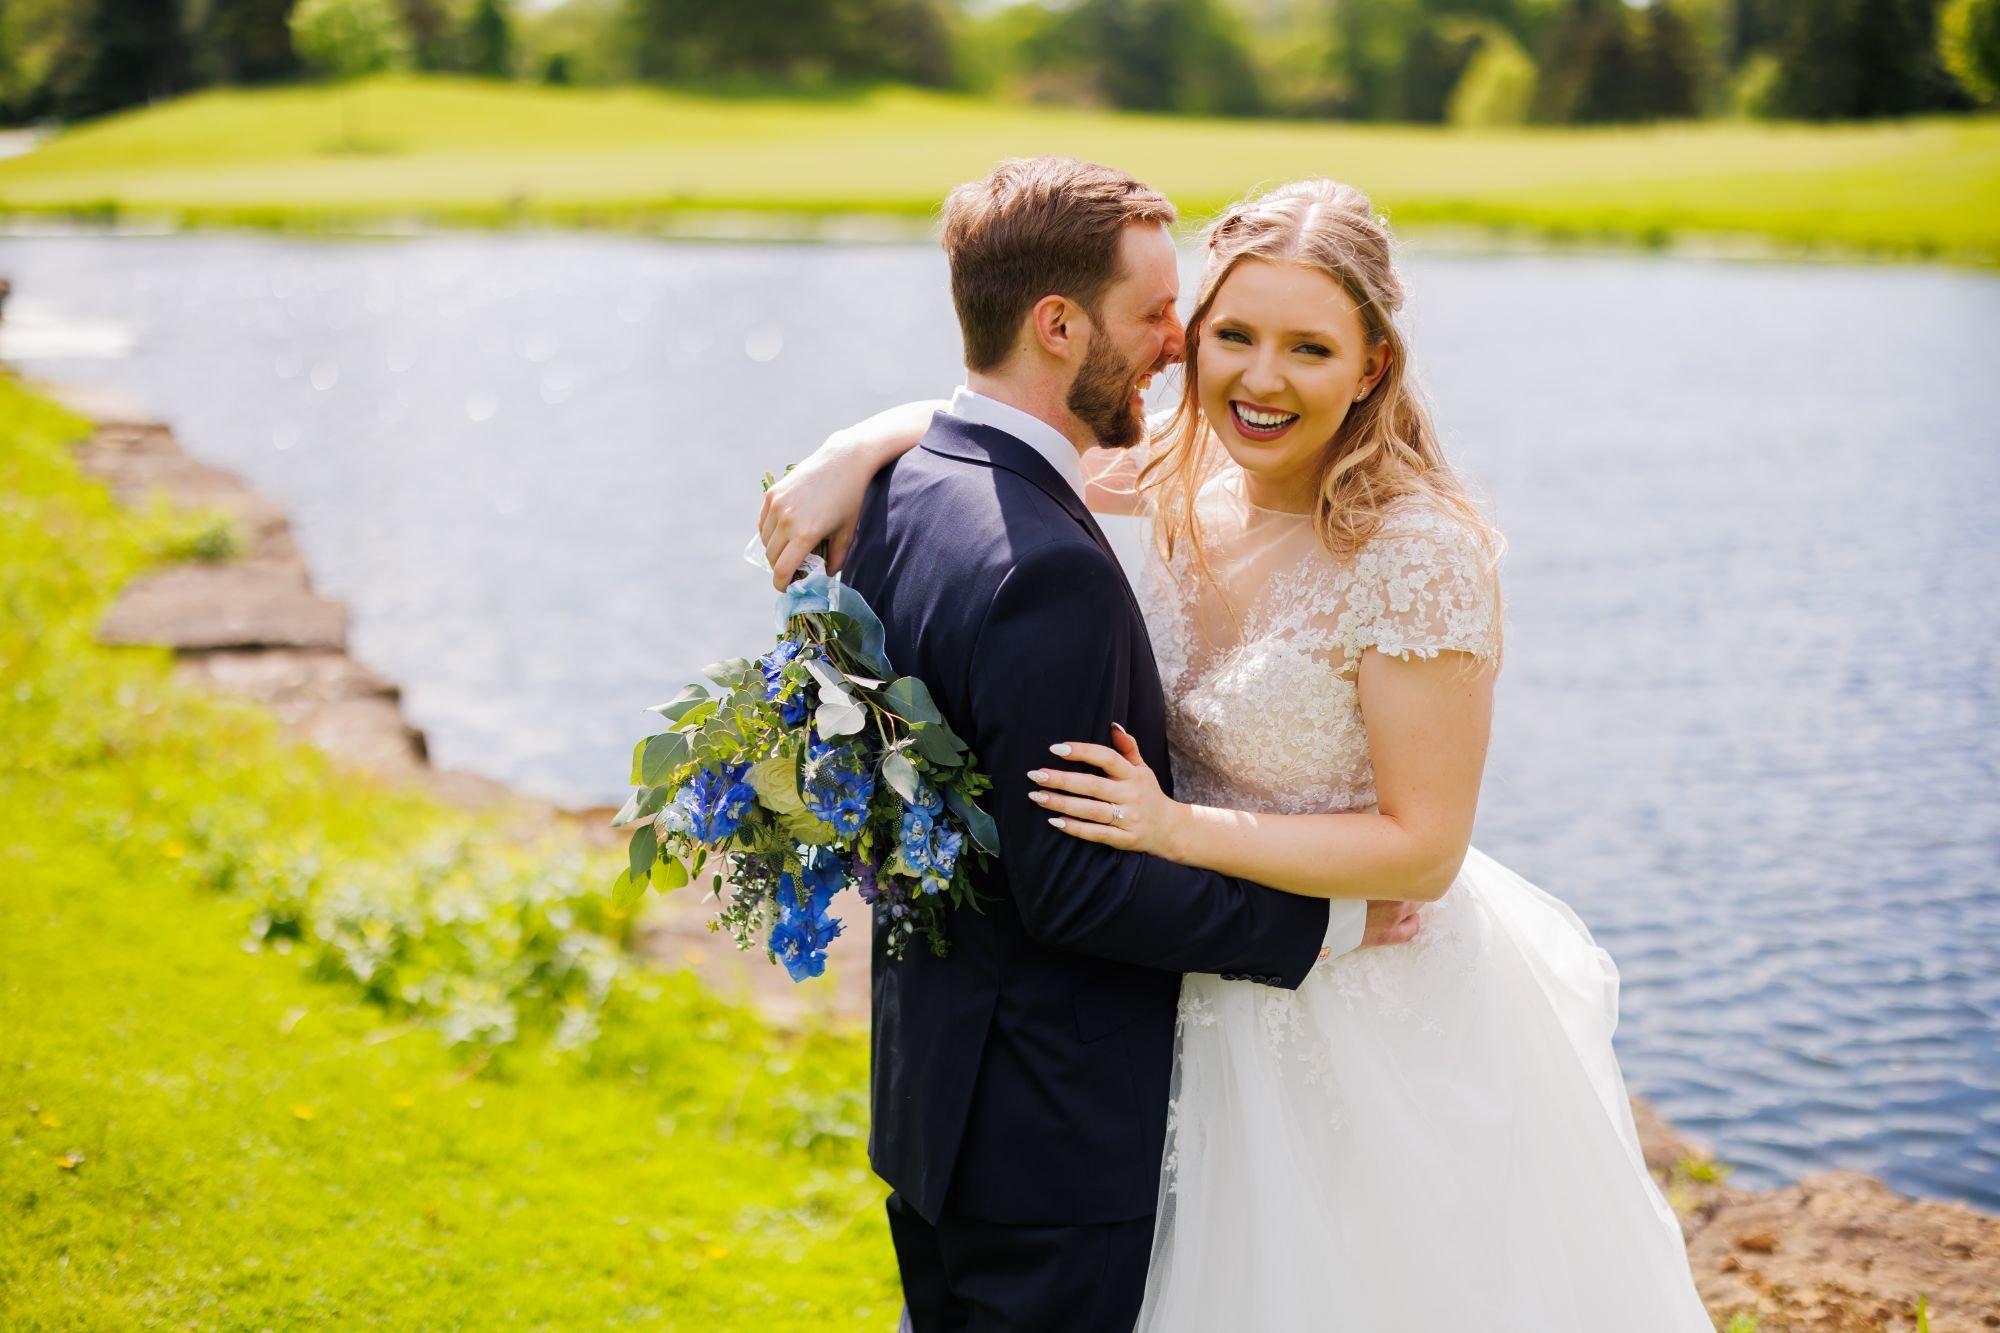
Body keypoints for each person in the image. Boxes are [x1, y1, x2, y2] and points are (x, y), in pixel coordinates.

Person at [761, 172, 1714, 1329]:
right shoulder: (1187, 476)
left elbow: (1422, 849)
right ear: (1192, 339)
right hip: (1186, 999)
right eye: (1233, 336)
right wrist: (853, 445)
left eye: (1308, 349)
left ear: (1370, 365)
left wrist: (1174, 827)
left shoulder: (1414, 553)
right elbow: (1011, 426)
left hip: (1357, 1006)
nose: (1261, 379)